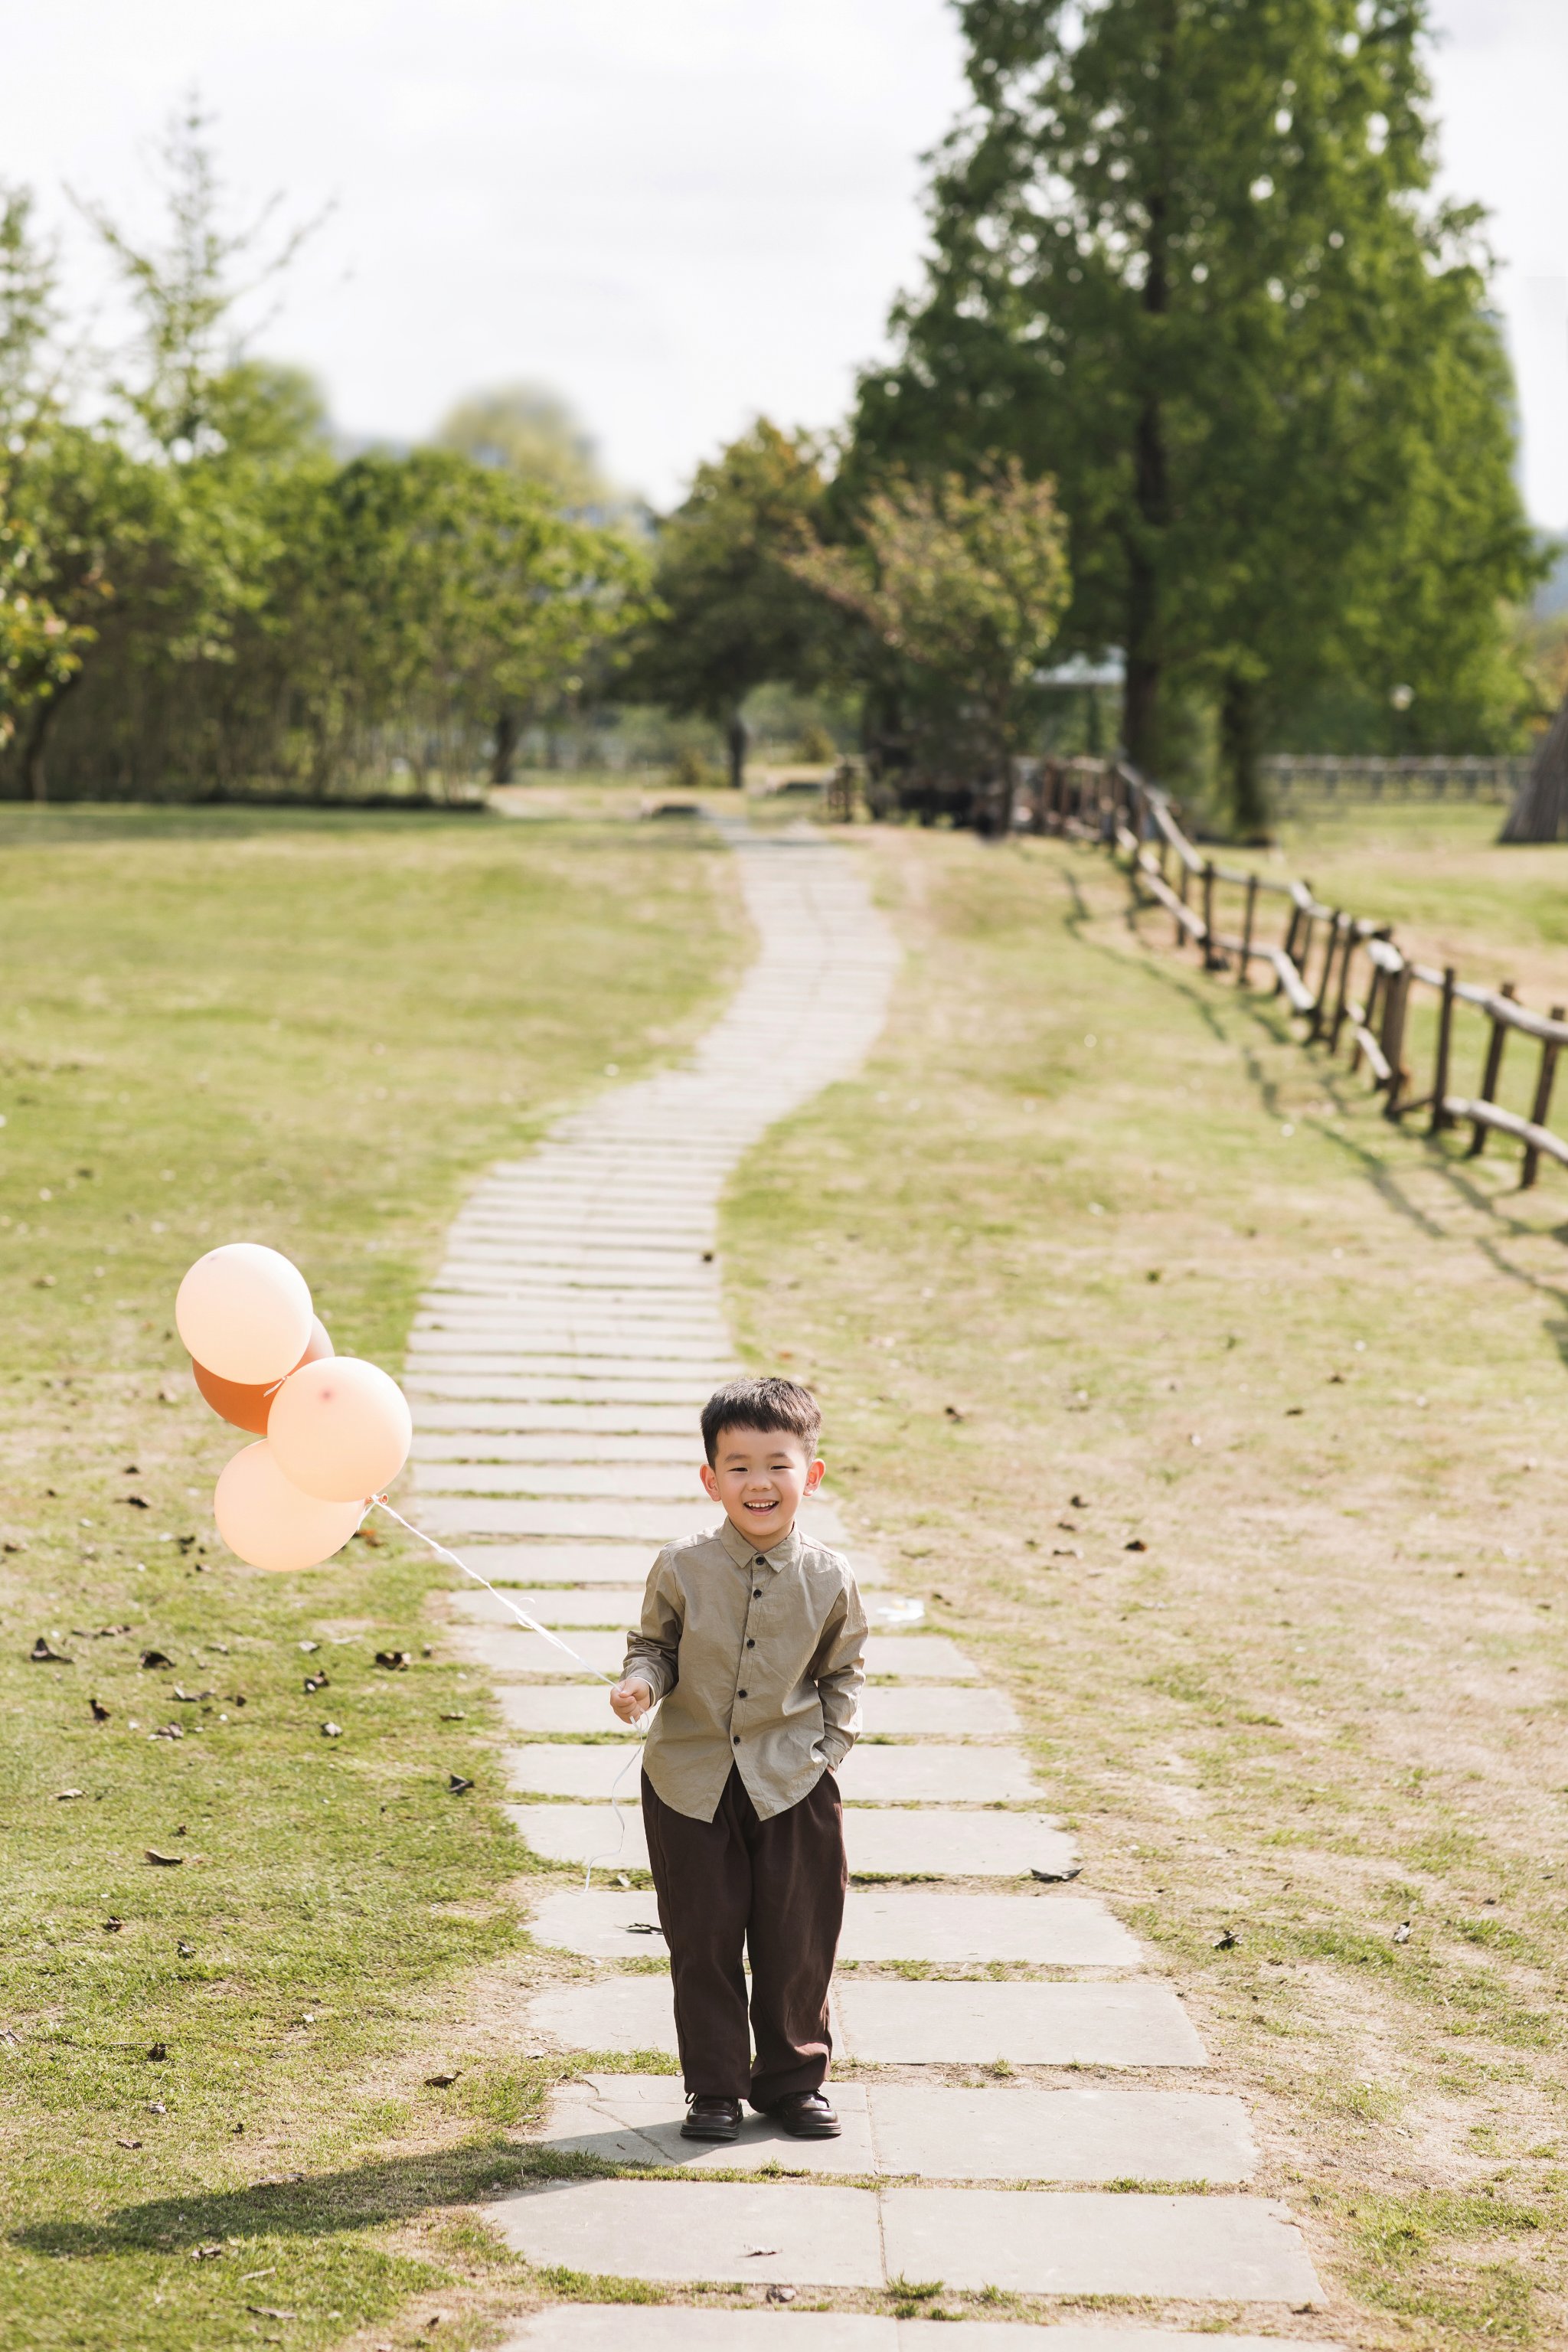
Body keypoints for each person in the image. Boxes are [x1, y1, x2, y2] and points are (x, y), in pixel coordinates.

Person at [610, 1375, 867, 2143]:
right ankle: (714, 2087)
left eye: (776, 1464)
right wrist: (639, 1684)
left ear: (809, 1475)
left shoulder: (830, 1578)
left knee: (796, 1940)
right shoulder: (681, 1566)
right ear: (710, 1479)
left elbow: (843, 1673)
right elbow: (652, 1644)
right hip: (689, 1782)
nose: (759, 1482)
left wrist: (828, 1750)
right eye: (739, 1466)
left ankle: (792, 2083)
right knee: (704, 1938)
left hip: (792, 1782)